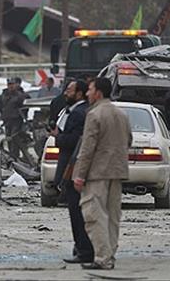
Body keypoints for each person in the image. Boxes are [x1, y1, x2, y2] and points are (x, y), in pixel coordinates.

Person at [72, 77, 131, 270]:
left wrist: (79, 175)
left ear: (98, 93)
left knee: (94, 216)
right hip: (117, 172)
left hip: (97, 173)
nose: (87, 93)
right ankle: (109, 255)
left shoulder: (94, 114)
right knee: (113, 217)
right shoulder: (121, 113)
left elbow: (87, 148)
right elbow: (129, 140)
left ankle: (102, 258)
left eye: (90, 90)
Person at [53, 80, 93, 264]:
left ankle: (84, 250)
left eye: (69, 90)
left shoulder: (78, 113)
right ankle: (82, 248)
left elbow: (74, 141)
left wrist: (57, 137)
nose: (65, 93)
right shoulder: (78, 111)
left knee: (77, 213)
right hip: (77, 168)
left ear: (79, 93)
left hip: (73, 168)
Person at [0, 77, 29, 161]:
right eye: (9, 84)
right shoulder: (4, 94)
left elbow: (25, 106)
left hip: (16, 120)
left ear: (16, 85)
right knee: (8, 138)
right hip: (7, 120)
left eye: (12, 84)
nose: (11, 86)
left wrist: (22, 115)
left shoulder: (20, 95)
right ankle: (11, 156)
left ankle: (15, 156)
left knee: (15, 137)